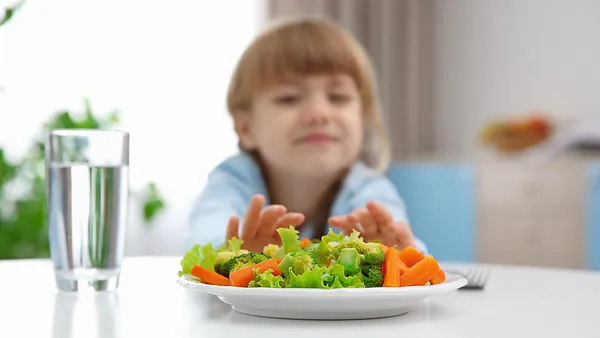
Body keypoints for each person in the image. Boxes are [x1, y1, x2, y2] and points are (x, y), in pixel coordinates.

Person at [187, 16, 428, 255]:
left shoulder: (369, 189)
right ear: (245, 128)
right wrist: (235, 253)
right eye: (288, 98)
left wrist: (396, 251)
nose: (318, 114)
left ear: (362, 119)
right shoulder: (232, 180)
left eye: (338, 97)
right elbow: (202, 245)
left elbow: (411, 253)